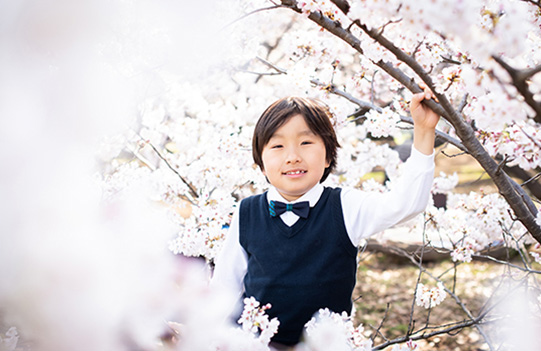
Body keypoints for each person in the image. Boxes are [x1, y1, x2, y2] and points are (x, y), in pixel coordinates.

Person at [212, 88, 440, 349]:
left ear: (329, 155)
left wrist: (423, 131)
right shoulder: (247, 212)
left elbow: (405, 204)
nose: (293, 156)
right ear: (261, 164)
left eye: (306, 143)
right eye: (277, 146)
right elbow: (225, 286)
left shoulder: (344, 206)